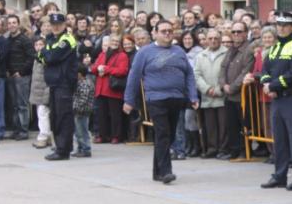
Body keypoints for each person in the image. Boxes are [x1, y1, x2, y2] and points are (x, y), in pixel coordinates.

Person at [123, 20, 199, 184]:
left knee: (168, 136)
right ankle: (166, 171)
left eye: (170, 31)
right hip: (156, 99)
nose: (167, 34)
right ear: (155, 33)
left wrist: (193, 96)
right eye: (163, 31)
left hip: (176, 98)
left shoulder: (179, 51)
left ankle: (157, 171)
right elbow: (134, 76)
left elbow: (189, 74)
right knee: (163, 133)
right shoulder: (145, 52)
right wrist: (128, 100)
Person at [259, 12, 292, 191]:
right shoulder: (274, 48)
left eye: (285, 25)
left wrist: (273, 86)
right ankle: (279, 175)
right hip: (277, 101)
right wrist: (266, 83)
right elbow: (265, 68)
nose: (281, 28)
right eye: (279, 25)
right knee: (279, 139)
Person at [39, 13, 79, 161]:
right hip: (54, 83)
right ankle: (60, 146)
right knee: (55, 116)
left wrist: (45, 53)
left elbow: (51, 57)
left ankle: (63, 150)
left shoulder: (67, 39)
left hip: (64, 83)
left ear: (64, 25)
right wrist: (45, 54)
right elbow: (40, 58)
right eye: (53, 24)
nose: (56, 27)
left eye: (58, 24)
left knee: (64, 117)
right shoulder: (51, 38)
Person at [217, 21, 255, 160]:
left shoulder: (249, 50)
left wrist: (232, 87)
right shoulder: (230, 50)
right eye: (234, 32)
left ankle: (245, 151)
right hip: (229, 95)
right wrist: (223, 85)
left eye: (239, 31)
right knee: (231, 125)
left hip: (242, 95)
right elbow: (222, 69)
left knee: (243, 125)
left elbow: (246, 71)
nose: (236, 34)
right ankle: (234, 151)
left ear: (245, 33)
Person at [193, 29, 228, 157]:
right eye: (210, 38)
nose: (213, 41)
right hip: (207, 96)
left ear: (220, 39)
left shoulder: (227, 53)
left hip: (222, 95)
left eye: (216, 38)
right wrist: (207, 89)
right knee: (210, 125)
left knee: (224, 125)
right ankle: (212, 149)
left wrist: (219, 89)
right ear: (206, 40)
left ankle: (223, 150)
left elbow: (228, 74)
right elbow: (196, 75)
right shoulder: (201, 55)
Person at [3, 14, 36, 140]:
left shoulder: (25, 40)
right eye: (9, 23)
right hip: (11, 76)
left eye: (14, 23)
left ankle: (23, 130)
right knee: (14, 104)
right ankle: (16, 129)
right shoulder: (8, 40)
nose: (11, 25)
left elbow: (31, 57)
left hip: (22, 77)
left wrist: (21, 72)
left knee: (22, 104)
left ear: (18, 24)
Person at [93, 34, 130, 144]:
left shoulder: (122, 55)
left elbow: (122, 71)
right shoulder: (102, 54)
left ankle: (116, 136)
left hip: (112, 89)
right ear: (108, 42)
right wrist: (97, 68)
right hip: (100, 88)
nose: (115, 42)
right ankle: (102, 135)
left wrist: (106, 69)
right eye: (113, 40)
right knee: (101, 114)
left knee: (115, 115)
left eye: (117, 41)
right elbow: (94, 68)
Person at [72, 66, 95, 158]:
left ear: (80, 74)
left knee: (82, 131)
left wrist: (75, 107)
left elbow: (83, 99)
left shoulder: (85, 84)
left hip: (82, 111)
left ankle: (86, 149)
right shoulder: (80, 82)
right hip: (79, 111)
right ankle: (80, 148)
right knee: (78, 132)